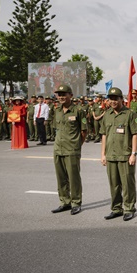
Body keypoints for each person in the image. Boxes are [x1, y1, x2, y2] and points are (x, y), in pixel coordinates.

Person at [100, 87, 137, 222]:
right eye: (110, 99)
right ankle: (116, 209)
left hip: (125, 154)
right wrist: (103, 154)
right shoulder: (107, 114)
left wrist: (133, 154)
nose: (113, 101)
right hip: (111, 155)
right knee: (114, 184)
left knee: (127, 183)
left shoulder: (130, 114)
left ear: (121, 99)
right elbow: (104, 135)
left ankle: (129, 209)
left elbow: (135, 134)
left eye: (115, 99)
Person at [51, 84, 87, 215]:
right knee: (61, 178)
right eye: (59, 95)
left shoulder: (78, 110)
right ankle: (65, 202)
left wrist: (77, 145)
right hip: (58, 149)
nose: (61, 97)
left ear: (70, 95)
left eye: (64, 94)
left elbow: (84, 131)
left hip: (72, 149)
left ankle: (76, 202)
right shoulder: (57, 110)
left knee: (74, 178)